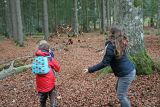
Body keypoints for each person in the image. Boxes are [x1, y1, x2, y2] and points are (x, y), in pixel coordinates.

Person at [84, 27, 136, 107]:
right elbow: (112, 53)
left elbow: (104, 63)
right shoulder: (119, 42)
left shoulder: (111, 45)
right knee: (118, 89)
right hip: (129, 70)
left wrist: (90, 69)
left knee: (121, 96)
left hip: (126, 74)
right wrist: (104, 51)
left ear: (111, 34)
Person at [34, 40, 60, 107]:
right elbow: (57, 69)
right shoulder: (50, 58)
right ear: (48, 49)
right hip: (50, 84)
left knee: (42, 100)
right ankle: (53, 105)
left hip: (40, 85)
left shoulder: (36, 58)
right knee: (52, 96)